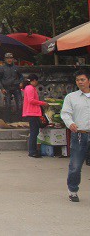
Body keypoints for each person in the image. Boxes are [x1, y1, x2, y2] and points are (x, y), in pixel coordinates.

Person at [61, 69, 90, 202]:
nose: (80, 82)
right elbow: (65, 113)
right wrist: (70, 123)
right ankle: (73, 190)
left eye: (82, 79)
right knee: (75, 165)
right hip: (79, 135)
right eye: (78, 80)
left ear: (89, 80)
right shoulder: (71, 97)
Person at [23, 73, 49, 158]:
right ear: (34, 80)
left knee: (34, 132)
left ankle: (33, 150)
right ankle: (32, 151)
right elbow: (31, 100)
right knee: (34, 132)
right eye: (36, 81)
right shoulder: (30, 88)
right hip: (32, 112)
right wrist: (42, 103)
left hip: (33, 112)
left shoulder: (29, 88)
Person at [0, 53, 24, 123]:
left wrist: (21, 82)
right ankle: (7, 120)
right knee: (8, 105)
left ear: (13, 59)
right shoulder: (2, 68)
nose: (9, 60)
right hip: (7, 88)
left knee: (20, 104)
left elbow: (21, 76)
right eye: (7, 58)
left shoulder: (16, 68)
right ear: (5, 59)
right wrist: (2, 88)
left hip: (16, 87)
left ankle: (19, 120)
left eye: (10, 58)